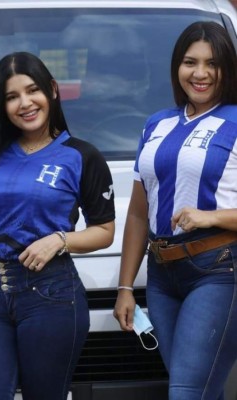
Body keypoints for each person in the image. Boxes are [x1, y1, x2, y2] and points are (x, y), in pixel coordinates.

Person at [0, 52, 115, 400]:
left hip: (50, 295)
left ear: (51, 90)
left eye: (32, 90)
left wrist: (59, 240)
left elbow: (105, 231)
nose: (24, 103)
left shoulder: (82, 156)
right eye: (11, 96)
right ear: (0, 105)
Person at [113, 21, 237, 400]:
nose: (200, 73)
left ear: (228, 69)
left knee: (186, 392)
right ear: (176, 67)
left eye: (212, 64)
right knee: (200, 390)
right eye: (190, 62)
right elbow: (137, 213)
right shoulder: (157, 123)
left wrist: (211, 216)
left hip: (217, 269)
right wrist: (124, 287)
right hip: (162, 276)